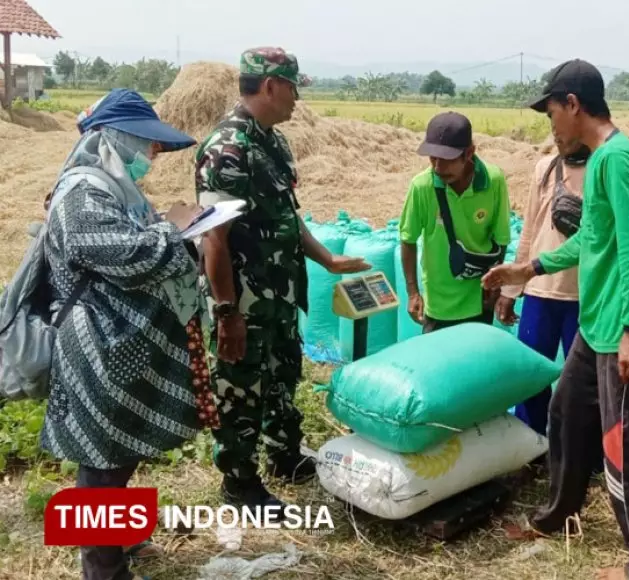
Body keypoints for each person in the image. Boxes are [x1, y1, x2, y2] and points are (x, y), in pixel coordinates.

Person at [482, 59, 629, 580]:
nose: (552, 126)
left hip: (622, 332)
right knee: (564, 412)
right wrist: (530, 266)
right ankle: (557, 515)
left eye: (551, 114)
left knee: (625, 447)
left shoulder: (619, 159)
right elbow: (593, 237)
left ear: (573, 103)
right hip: (600, 325)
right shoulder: (607, 159)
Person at [195, 47, 369, 512]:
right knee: (241, 384)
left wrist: (328, 259)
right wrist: (227, 312)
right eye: (293, 87)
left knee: (281, 375)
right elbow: (214, 239)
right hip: (245, 298)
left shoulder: (273, 142)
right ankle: (239, 480)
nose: (297, 98)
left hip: (279, 292)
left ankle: (283, 455)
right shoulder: (228, 149)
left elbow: (290, 218)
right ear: (270, 86)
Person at [40, 88, 203, 580]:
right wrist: (179, 233)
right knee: (103, 465)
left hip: (122, 350)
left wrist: (169, 227)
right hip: (98, 351)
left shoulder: (113, 188)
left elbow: (140, 237)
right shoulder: (82, 193)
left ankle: (121, 540)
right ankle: (103, 568)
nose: (152, 155)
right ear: (114, 139)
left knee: (120, 454)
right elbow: (131, 255)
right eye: (146, 144)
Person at [497, 146, 589, 437]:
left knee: (582, 382)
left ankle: (579, 455)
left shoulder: (603, 168)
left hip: (583, 297)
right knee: (531, 376)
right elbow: (530, 231)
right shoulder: (546, 168)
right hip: (539, 293)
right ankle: (532, 444)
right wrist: (511, 290)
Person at [399, 112, 511, 333]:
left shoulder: (494, 181)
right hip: (439, 303)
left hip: (479, 299)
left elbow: (501, 239)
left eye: (447, 159)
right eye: (433, 158)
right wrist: (413, 292)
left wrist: (494, 282)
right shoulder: (422, 187)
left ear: (469, 153)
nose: (439, 168)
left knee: (476, 363)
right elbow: (408, 239)